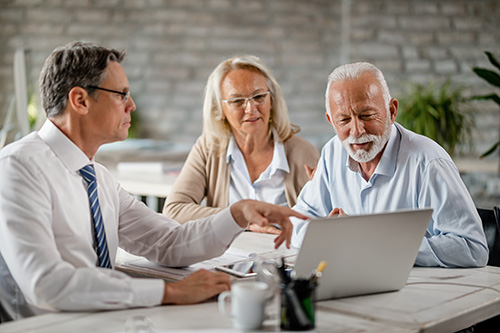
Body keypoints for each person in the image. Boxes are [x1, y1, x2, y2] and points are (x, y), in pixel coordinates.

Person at [0, 42, 307, 322]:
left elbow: (169, 242)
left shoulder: (97, 179)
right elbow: (46, 284)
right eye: (121, 94)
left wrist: (239, 213)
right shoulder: (19, 166)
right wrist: (169, 293)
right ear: (80, 100)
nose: (131, 105)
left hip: (102, 321)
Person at [290, 62, 488, 268]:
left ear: (392, 111)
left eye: (366, 115)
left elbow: (473, 248)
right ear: (331, 121)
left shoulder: (428, 162)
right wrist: (326, 235)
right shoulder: (333, 152)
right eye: (344, 120)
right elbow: (298, 220)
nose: (356, 130)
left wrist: (374, 242)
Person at [162, 55, 319, 234]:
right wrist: (243, 219)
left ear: (272, 101)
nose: (251, 109)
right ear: (219, 110)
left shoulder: (302, 151)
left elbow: (320, 218)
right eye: (237, 101)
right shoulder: (209, 147)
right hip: (229, 258)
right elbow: (174, 210)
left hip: (284, 256)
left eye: (259, 97)